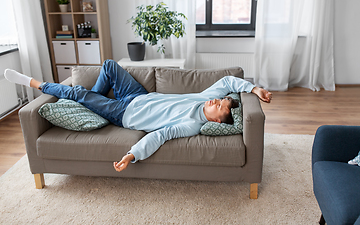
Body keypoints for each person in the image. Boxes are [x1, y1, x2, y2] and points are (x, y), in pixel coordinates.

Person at [4, 59, 272, 172]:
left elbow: (159, 136)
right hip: (138, 95)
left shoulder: (191, 125)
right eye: (223, 101)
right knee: (110, 65)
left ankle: (34, 83)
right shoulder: (205, 97)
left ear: (215, 120)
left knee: (77, 92)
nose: (218, 101)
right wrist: (254, 88)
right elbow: (229, 80)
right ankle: (91, 101)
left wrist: (132, 154)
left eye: (221, 106)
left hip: (123, 113)